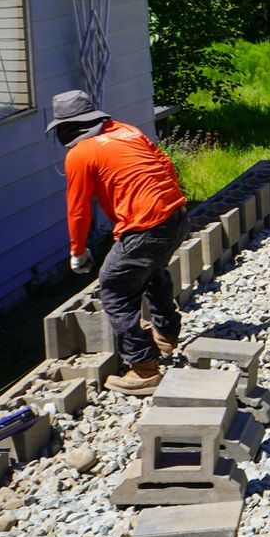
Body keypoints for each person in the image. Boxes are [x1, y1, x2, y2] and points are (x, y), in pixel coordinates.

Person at [47, 90, 189, 395]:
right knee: (151, 269)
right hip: (176, 214)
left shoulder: (80, 154)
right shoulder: (128, 131)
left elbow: (78, 208)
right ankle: (166, 332)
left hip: (147, 225)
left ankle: (144, 369)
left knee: (113, 288)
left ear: (67, 128)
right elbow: (164, 165)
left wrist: (77, 251)